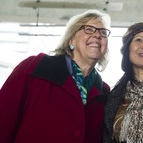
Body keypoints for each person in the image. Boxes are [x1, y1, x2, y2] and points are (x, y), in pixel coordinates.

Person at [0, 9, 111, 143]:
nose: (97, 35)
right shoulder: (34, 67)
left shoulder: (104, 92)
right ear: (71, 41)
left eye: (103, 33)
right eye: (88, 29)